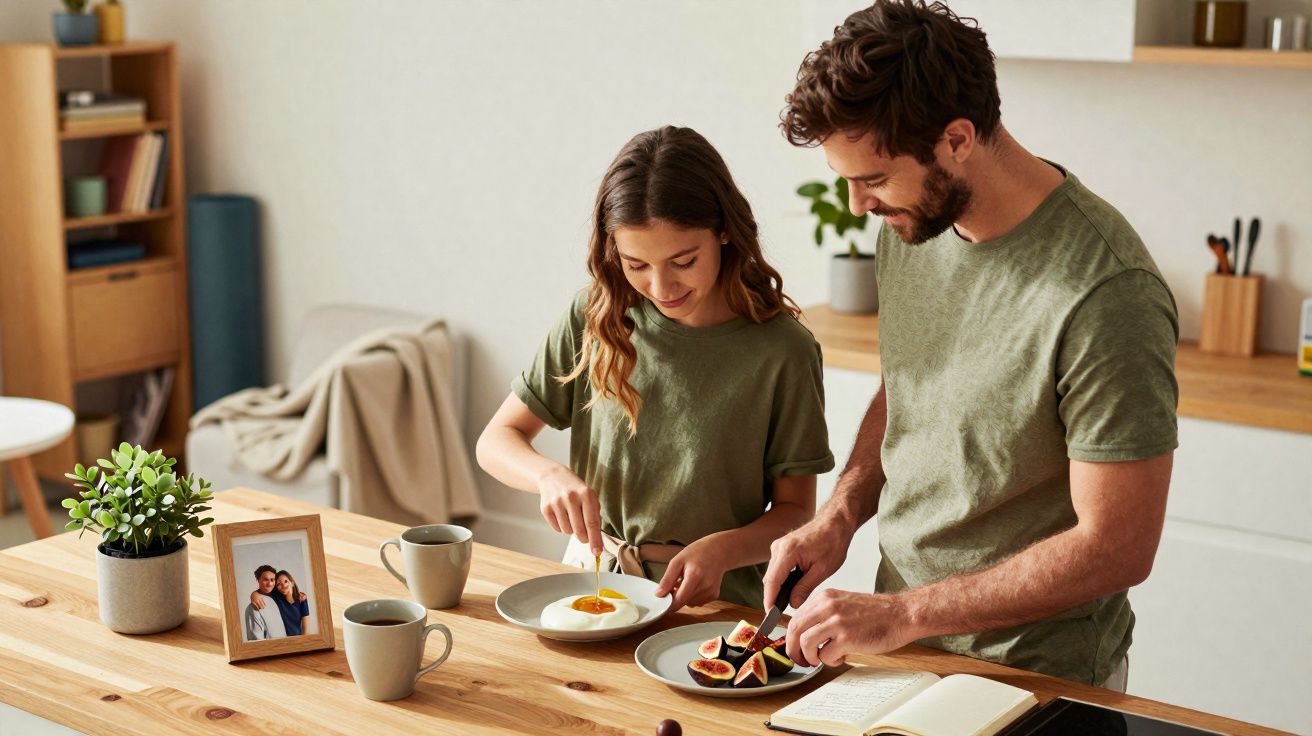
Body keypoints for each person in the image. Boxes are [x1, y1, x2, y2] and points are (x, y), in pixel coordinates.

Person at [763, 0, 1178, 691]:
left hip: (1036, 677)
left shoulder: (1107, 291)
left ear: (957, 139)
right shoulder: (914, 229)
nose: (859, 205)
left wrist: (904, 612)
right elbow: (912, 386)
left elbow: (1118, 548)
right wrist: (840, 516)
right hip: (896, 650)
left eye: (872, 178)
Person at [477, 126, 834, 610]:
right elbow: (496, 439)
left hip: (716, 599)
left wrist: (724, 549)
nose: (661, 285)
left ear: (725, 230)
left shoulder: (783, 351)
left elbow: (796, 511)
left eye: (683, 260)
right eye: (636, 264)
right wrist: (547, 476)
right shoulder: (595, 315)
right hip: (590, 583)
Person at [243, 565, 287, 641]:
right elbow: (256, 641)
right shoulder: (253, 607)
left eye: (272, 580)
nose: (270, 584)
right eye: (265, 580)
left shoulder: (276, 599)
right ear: (258, 580)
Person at [270, 570, 310, 636]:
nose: (283, 585)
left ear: (292, 583)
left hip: (298, 639)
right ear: (277, 588)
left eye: (285, 581)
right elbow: (261, 592)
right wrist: (254, 595)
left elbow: (306, 631)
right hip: (282, 640)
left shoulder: (302, 599)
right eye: (279, 584)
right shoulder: (277, 598)